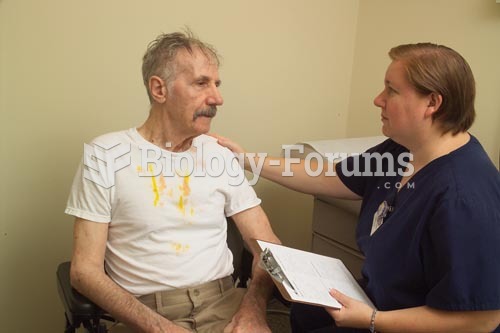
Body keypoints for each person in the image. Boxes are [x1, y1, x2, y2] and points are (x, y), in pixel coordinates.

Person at [214, 43, 500, 332]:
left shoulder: (464, 196)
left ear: (432, 104)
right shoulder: (403, 150)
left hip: (421, 321)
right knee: (306, 312)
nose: (378, 99)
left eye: (392, 90)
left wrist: (373, 321)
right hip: (385, 297)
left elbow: (482, 318)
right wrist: (246, 159)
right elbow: (327, 175)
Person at [65, 31, 281, 333]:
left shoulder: (218, 154)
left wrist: (254, 311)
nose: (217, 98)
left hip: (226, 306)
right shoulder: (105, 155)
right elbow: (84, 272)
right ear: (159, 89)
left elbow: (269, 248)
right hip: (142, 313)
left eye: (216, 85)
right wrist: (159, 328)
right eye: (201, 83)